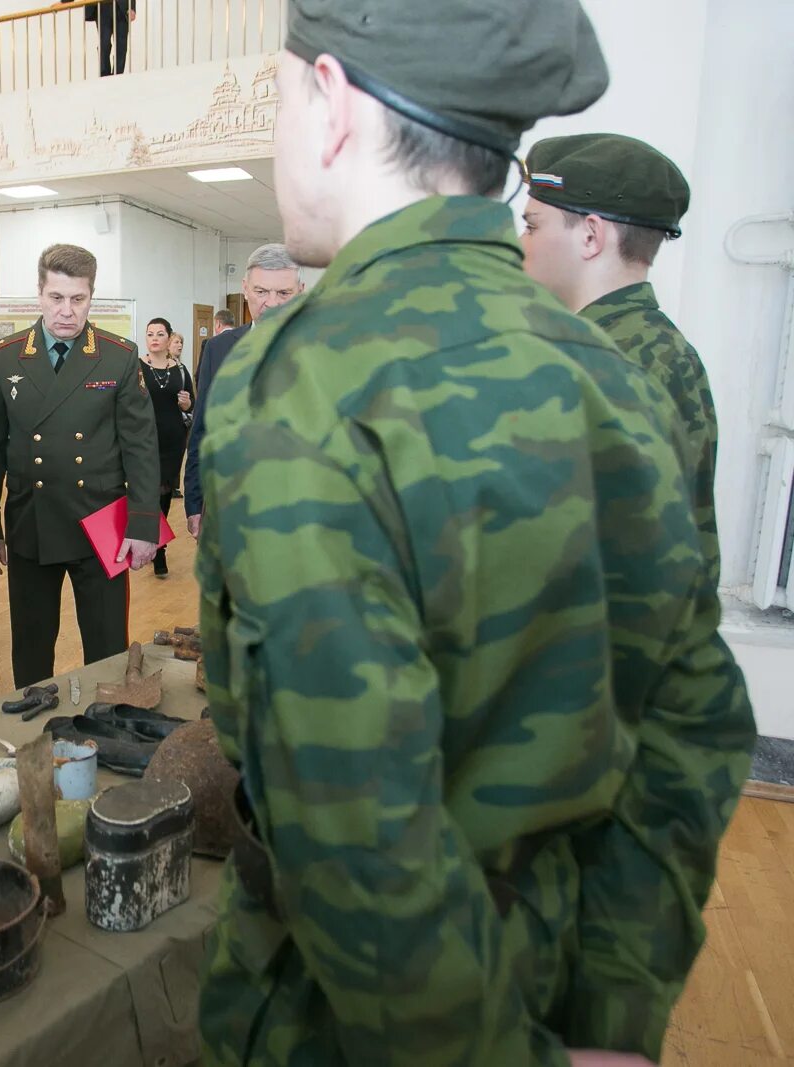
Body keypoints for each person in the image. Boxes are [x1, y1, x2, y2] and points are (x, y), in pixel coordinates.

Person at [195, 5, 753, 1066]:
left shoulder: (303, 381)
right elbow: (692, 733)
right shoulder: (613, 378)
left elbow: (355, 829)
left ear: (332, 102)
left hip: (348, 1021)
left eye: (274, 98)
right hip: (550, 963)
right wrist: (613, 1017)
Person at [521, 133, 719, 578]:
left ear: (591, 235)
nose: (521, 242)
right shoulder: (641, 348)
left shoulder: (614, 363)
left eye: (533, 226)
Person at [0, 243, 160, 688]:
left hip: (103, 523)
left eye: (78, 299)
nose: (67, 311)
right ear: (39, 294)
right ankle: (32, 725)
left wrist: (144, 525)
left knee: (107, 644)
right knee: (32, 643)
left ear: (90, 297)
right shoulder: (5, 357)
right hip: (30, 521)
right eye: (56, 298)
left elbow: (140, 445)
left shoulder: (118, 355)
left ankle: (110, 722)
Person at [183, 242, 302, 538]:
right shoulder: (217, 348)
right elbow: (202, 429)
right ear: (246, 288)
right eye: (261, 292)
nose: (272, 303)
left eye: (283, 293)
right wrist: (195, 502)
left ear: (300, 291)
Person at [140, 317, 193, 577]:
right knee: (147, 492)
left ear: (169, 337)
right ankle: (150, 540)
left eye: (160, 334)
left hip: (172, 441)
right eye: (150, 334)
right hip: (144, 440)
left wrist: (186, 404)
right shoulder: (137, 368)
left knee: (163, 494)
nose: (154, 338)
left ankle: (159, 549)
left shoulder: (179, 370)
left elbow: (190, 403)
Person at [83, 0, 135, 78]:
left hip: (121, 7)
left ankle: (118, 74)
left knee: (121, 44)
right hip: (102, 5)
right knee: (104, 42)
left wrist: (132, 7)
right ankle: (104, 74)